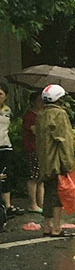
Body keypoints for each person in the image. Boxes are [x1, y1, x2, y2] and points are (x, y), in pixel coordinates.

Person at [33, 85, 75, 238]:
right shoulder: (60, 114)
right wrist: (68, 164)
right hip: (57, 161)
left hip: (45, 161)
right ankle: (57, 228)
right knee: (57, 195)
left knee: (48, 193)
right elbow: (64, 140)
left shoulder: (41, 114)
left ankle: (47, 226)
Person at [22, 93, 44, 214]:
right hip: (32, 148)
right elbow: (35, 131)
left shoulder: (42, 114)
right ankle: (33, 204)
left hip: (41, 149)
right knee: (34, 177)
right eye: (39, 100)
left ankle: (40, 203)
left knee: (41, 178)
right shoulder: (30, 116)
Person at [0, 85, 14, 215]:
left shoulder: (7, 110)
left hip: (5, 146)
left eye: (0, 94)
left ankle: (8, 205)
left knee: (5, 174)